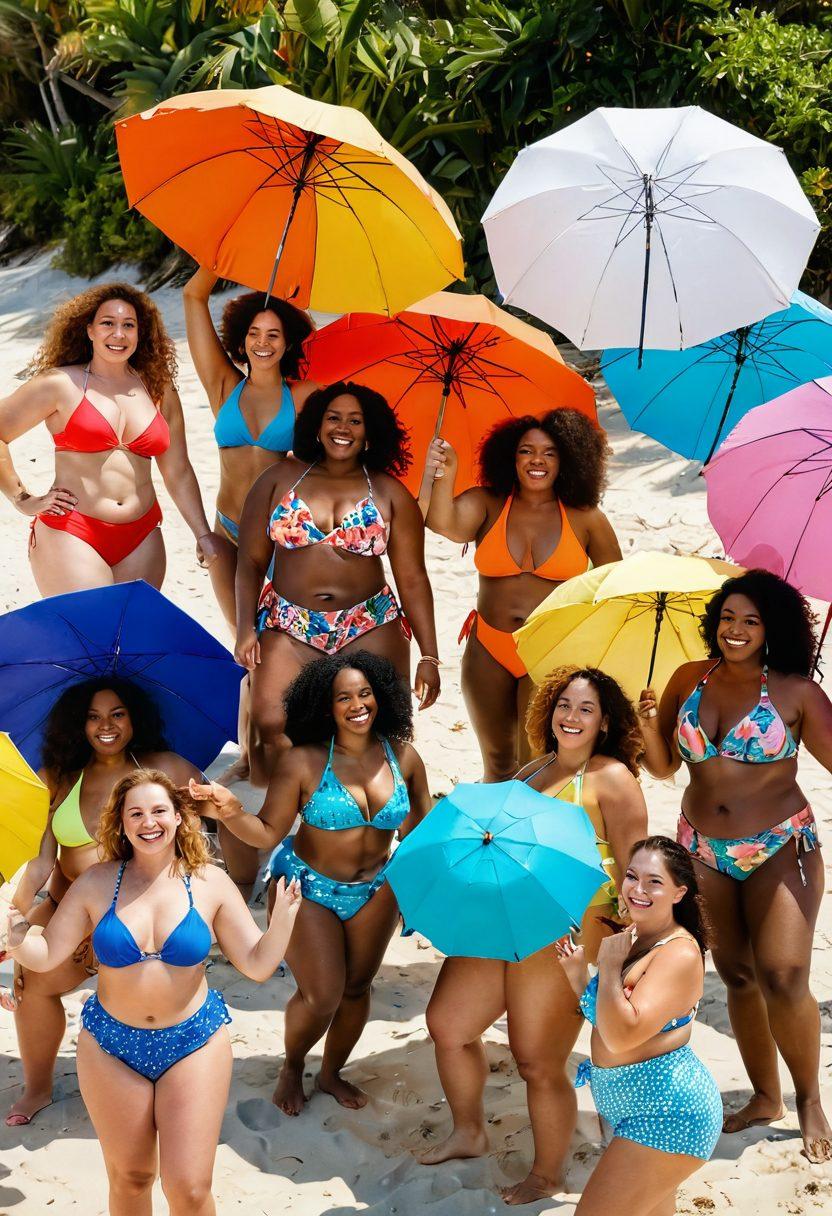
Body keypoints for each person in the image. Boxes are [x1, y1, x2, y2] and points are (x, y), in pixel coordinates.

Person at [5, 770, 301, 1216]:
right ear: (120, 823)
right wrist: (13, 938)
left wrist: (282, 925)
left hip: (193, 1042)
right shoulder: (97, 882)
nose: (149, 822)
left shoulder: (210, 882)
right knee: (130, 1178)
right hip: (110, 1045)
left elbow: (258, 964)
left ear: (180, 817)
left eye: (160, 810)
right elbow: (45, 954)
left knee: (190, 1189)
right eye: (136, 813)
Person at [422, 666, 647, 1205]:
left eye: (585, 709)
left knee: (536, 1061)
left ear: (605, 722)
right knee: (447, 1024)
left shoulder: (611, 778)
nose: (571, 717)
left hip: (567, 926)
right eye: (564, 705)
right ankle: (469, 1132)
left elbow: (638, 875)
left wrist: (629, 953)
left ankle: (547, 1174)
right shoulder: (534, 768)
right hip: (503, 913)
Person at [638, 569, 832, 1163]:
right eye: (727, 618)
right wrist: (649, 726)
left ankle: (807, 1100)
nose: (736, 630)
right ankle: (765, 1097)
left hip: (779, 845)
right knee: (739, 976)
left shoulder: (796, 693)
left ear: (773, 629)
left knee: (783, 976)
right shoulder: (688, 679)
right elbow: (666, 765)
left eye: (751, 620)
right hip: (701, 849)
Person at [188, 651, 432, 1116]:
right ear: (326, 706)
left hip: (377, 887)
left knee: (358, 989)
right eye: (344, 697)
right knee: (322, 995)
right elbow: (266, 832)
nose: (357, 705)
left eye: (365, 694)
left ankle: (331, 1072)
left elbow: (422, 835)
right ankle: (292, 1064)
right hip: (307, 887)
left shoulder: (404, 757)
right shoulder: (303, 761)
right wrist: (229, 812)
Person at [1, 678, 235, 1126]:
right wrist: (14, 918)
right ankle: (37, 1087)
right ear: (78, 723)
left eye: (117, 714)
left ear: (135, 718)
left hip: (141, 914)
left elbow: (217, 824)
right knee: (33, 985)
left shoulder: (164, 767)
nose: (104, 726)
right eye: (93, 716)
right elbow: (41, 861)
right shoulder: (63, 776)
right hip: (69, 903)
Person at [235, 381, 441, 785]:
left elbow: (413, 578)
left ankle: (359, 815)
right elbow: (250, 559)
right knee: (271, 725)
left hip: (369, 621)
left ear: (370, 432)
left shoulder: (388, 491)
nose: (342, 427)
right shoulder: (280, 478)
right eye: (333, 418)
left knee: (380, 729)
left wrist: (430, 656)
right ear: (316, 424)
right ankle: (291, 819)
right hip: (289, 620)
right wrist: (245, 628)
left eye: (355, 420)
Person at [425, 410, 621, 781]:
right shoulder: (488, 502)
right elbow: (443, 523)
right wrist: (445, 471)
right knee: (497, 763)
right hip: (488, 647)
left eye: (549, 453)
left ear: (568, 460)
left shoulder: (585, 517)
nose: (536, 460)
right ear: (509, 458)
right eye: (525, 451)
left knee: (536, 763)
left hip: (550, 649)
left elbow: (615, 586)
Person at [0, 284, 219, 595]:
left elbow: (178, 469)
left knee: (130, 640)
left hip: (142, 535)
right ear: (89, 330)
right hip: (74, 530)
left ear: (140, 333)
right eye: (108, 323)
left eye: (128, 325)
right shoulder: (60, 385)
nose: (119, 334)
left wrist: (202, 533)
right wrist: (22, 499)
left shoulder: (158, 389)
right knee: (90, 634)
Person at [556, 837, 722, 1216]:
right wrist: (580, 977)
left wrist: (610, 967)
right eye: (632, 876)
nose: (639, 889)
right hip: (632, 1110)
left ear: (680, 892)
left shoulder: (678, 953)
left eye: (654, 881)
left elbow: (620, 1036)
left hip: (668, 1117)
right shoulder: (636, 939)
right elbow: (610, 1018)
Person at [182, 268, 317, 630]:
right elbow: (192, 297)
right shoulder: (224, 386)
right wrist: (221, 256)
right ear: (241, 341)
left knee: (283, 639)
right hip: (225, 530)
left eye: (274, 335)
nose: (263, 343)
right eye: (254, 333)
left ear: (288, 343)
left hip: (280, 535)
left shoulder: (303, 395)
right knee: (243, 642)